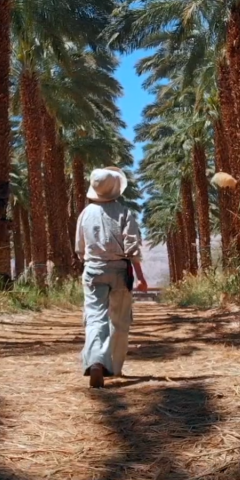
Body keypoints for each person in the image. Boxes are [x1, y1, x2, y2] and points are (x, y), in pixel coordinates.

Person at [75, 167, 148, 389]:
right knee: (119, 320)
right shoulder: (124, 212)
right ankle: (114, 367)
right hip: (119, 271)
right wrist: (140, 278)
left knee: (95, 317)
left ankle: (96, 361)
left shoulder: (85, 214)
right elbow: (132, 248)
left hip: (93, 270)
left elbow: (79, 248)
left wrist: (91, 261)